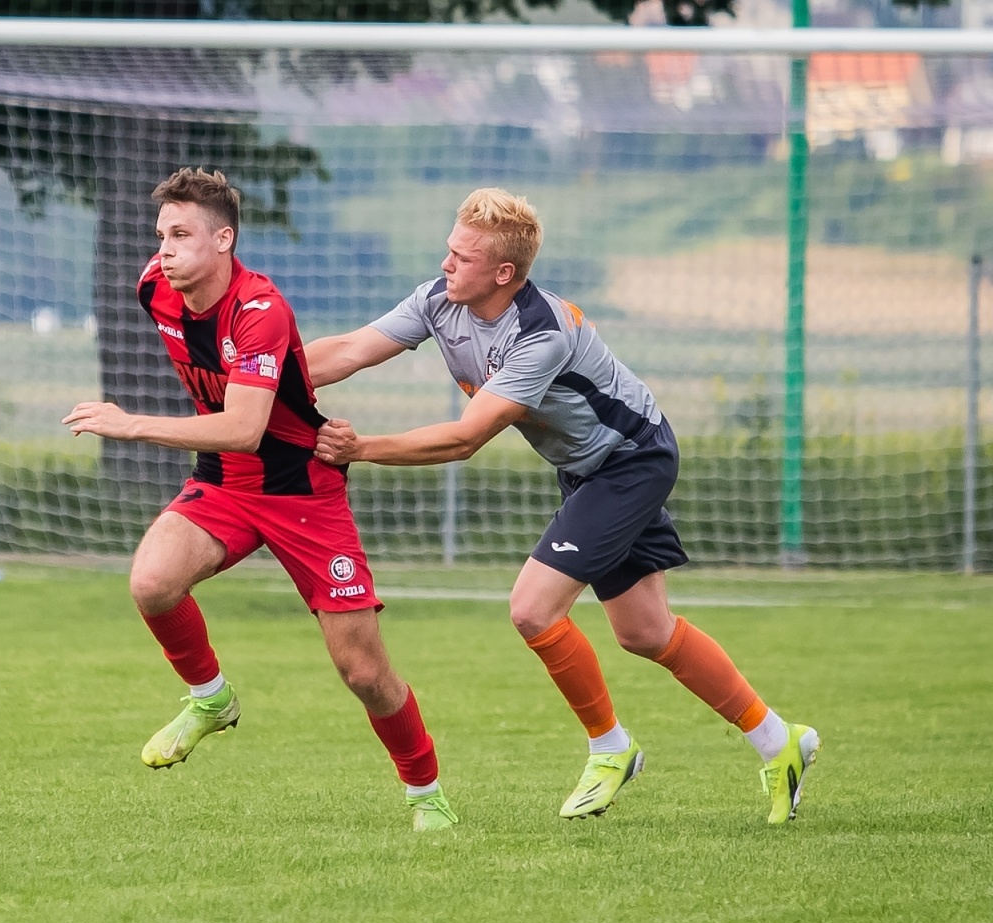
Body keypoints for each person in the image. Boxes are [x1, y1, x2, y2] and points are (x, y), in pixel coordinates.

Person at [308, 187, 820, 826]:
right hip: (587, 470)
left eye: (462, 258)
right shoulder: (438, 300)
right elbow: (350, 350)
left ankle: (611, 748)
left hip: (632, 459)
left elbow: (468, 436)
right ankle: (780, 742)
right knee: (645, 632)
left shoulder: (539, 335)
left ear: (504, 273)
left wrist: (362, 447)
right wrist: (261, 374)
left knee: (531, 609)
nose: (446, 265)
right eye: (448, 250)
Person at [64, 167, 457, 832]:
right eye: (161, 233)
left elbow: (247, 428)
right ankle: (211, 700)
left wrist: (130, 422)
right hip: (223, 481)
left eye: (182, 234)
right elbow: (263, 399)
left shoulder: (259, 309)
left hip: (301, 490)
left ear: (224, 241)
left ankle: (427, 795)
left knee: (362, 670)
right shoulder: (153, 289)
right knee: (152, 581)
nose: (164, 248)